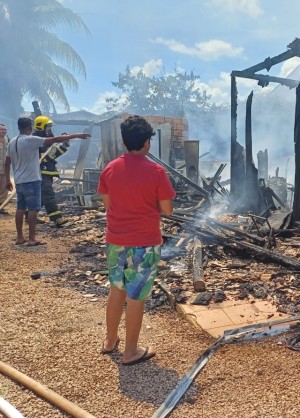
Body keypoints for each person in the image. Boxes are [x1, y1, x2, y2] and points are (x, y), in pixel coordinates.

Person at [98, 115, 175, 365]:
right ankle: (130, 352)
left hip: (115, 241)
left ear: (123, 141)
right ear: (147, 143)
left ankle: (110, 341)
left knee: (116, 290)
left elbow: (107, 204)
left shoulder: (110, 168)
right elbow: (167, 210)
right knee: (136, 296)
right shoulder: (156, 172)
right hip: (144, 243)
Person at [4, 117, 90, 246]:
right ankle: (32, 238)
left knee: (20, 208)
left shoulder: (12, 142)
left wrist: (7, 179)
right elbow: (54, 142)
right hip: (32, 179)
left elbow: (7, 162)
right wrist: (76, 135)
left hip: (19, 180)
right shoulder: (32, 140)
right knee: (35, 208)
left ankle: (20, 237)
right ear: (30, 127)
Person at [32, 116, 70, 226]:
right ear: (41, 127)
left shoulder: (46, 140)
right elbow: (44, 157)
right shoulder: (37, 140)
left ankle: (29, 215)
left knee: (40, 196)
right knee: (48, 194)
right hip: (41, 171)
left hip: (47, 171)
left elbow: (53, 155)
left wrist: (64, 145)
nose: (50, 129)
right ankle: (56, 218)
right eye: (48, 127)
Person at [0, 124, 9, 215]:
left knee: (4, 188)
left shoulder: (7, 141)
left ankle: (1, 207)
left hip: (4, 169)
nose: (4, 131)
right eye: (2, 130)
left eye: (5, 130)